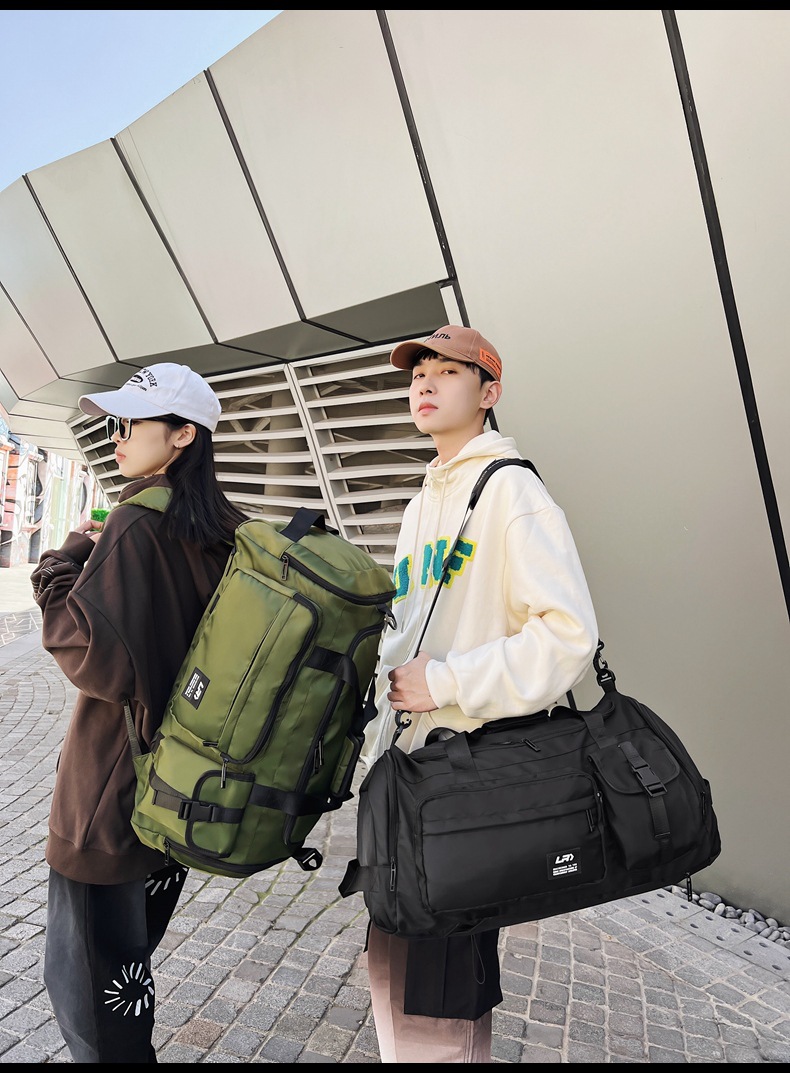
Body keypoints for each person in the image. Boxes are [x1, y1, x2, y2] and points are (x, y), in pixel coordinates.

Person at [359, 324, 599, 1063]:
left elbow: (567, 635)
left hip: (468, 783)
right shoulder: (420, 504)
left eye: (448, 371)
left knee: (440, 993)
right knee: (393, 971)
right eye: (417, 373)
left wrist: (447, 680)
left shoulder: (513, 491)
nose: (425, 384)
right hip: (409, 778)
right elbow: (404, 635)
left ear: (489, 392)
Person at [30, 362, 247, 1064]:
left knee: (92, 1005)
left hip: (108, 794)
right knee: (127, 971)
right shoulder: (227, 531)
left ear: (184, 435)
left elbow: (92, 655)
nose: (117, 437)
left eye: (132, 424)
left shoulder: (133, 521)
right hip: (177, 789)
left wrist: (64, 559)